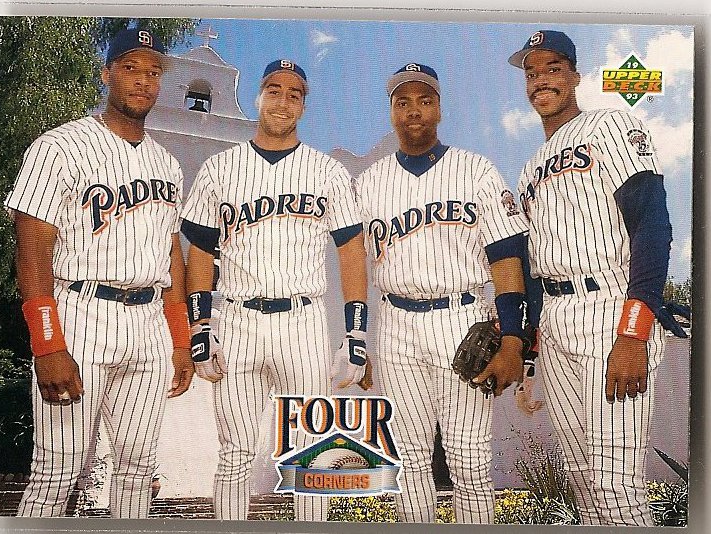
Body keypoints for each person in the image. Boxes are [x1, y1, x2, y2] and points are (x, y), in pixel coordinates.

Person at [5, 28, 194, 518]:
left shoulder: (168, 165)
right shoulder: (59, 146)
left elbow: (170, 254)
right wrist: (47, 343)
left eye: (153, 72)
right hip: (81, 313)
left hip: (148, 323)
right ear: (107, 73)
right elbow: (32, 249)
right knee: (58, 470)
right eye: (131, 68)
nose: (143, 81)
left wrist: (180, 337)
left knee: (138, 469)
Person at [180, 59, 370, 521]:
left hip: (303, 321)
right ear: (259, 97)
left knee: (313, 451)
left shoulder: (327, 171)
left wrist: (356, 334)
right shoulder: (219, 167)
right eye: (274, 90)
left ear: (304, 105)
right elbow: (200, 252)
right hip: (237, 319)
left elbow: (351, 252)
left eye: (294, 94)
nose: (283, 101)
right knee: (235, 453)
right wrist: (199, 327)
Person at [509, 30, 677, 525]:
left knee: (615, 484)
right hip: (555, 321)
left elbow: (651, 222)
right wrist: (532, 357)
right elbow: (535, 267)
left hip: (609, 308)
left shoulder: (611, 123)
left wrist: (634, 332)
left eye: (553, 68)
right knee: (582, 480)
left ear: (575, 77)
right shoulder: (529, 169)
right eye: (532, 72)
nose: (541, 79)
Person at [356, 63, 529, 523]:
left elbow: (506, 256)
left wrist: (514, 340)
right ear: (391, 112)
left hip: (460, 315)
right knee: (408, 457)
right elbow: (353, 263)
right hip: (395, 324)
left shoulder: (476, 170)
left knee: (469, 459)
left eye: (424, 100)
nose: (414, 110)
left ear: (439, 108)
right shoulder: (368, 183)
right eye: (403, 102)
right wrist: (358, 340)